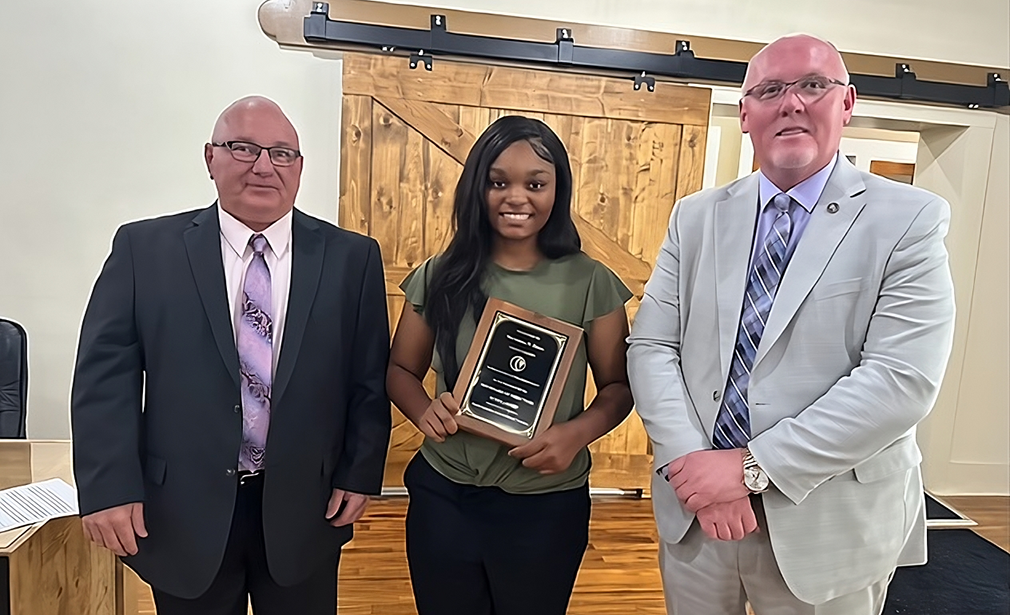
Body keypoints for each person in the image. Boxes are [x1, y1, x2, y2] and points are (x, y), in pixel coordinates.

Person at [628, 34, 956, 615]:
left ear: (846, 103)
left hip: (827, 522)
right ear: (745, 114)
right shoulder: (695, 217)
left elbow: (900, 380)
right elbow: (652, 345)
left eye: (813, 85)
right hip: (696, 512)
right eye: (771, 90)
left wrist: (750, 469)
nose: (792, 103)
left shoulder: (909, 219)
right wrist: (692, 464)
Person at [71, 96, 390, 615]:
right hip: (181, 509)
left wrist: (359, 471)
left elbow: (367, 379)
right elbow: (104, 380)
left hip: (306, 509)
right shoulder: (144, 250)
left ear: (299, 167)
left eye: (282, 153)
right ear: (210, 157)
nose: (264, 166)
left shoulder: (351, 258)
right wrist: (108, 487)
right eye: (244, 148)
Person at [386, 115, 634, 615]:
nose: (516, 197)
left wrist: (575, 435)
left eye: (535, 184)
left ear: (557, 191)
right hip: (445, 493)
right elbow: (400, 371)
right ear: (476, 188)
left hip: (545, 502)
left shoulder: (591, 282)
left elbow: (619, 387)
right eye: (498, 182)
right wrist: (424, 410)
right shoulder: (440, 275)